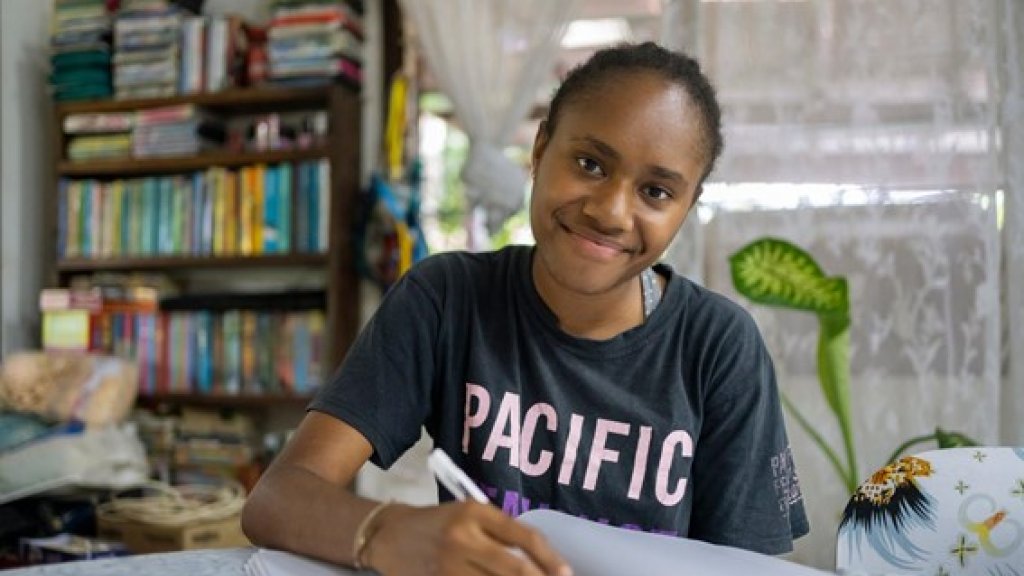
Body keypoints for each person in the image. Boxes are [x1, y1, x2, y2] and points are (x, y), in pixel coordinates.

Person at [241, 41, 809, 576]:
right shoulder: (447, 299)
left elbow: (748, 568)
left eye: (656, 192)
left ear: (687, 207)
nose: (611, 212)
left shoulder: (718, 347)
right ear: (540, 150)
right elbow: (276, 498)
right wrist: (386, 529)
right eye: (589, 163)